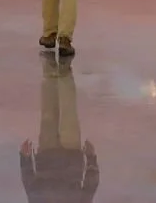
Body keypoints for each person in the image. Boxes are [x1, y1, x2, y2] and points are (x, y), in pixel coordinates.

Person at [19, 55, 100, 203]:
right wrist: (91, 160)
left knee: (49, 108)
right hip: (71, 154)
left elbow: (31, 190)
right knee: (68, 109)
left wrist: (25, 159)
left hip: (47, 155)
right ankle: (64, 68)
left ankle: (49, 66)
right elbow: (89, 189)